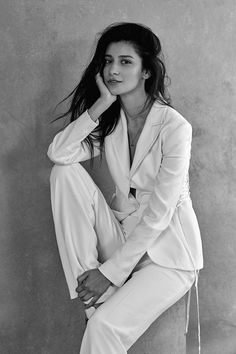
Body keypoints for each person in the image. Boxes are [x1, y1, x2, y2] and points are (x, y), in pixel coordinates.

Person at [47, 22, 203, 354]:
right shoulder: (111, 121)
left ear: (147, 71)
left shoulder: (175, 128)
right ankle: (92, 295)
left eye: (125, 61)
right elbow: (59, 153)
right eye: (107, 61)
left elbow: (160, 214)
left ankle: (97, 301)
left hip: (168, 256)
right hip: (123, 239)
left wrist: (111, 273)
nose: (113, 70)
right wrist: (100, 105)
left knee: (103, 329)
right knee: (63, 174)